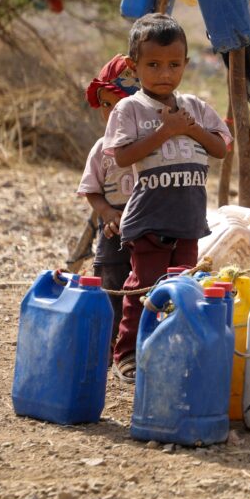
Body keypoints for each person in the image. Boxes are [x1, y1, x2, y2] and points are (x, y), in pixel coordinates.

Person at [103, 13, 231, 382]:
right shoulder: (130, 108)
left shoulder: (195, 106)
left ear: (185, 64)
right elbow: (123, 156)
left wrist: (189, 128)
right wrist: (165, 131)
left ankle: (167, 349)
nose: (165, 73)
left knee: (181, 289)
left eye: (174, 65)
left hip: (188, 218)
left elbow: (220, 148)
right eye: (154, 65)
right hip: (150, 217)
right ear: (134, 67)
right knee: (143, 287)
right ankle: (128, 353)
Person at [77, 54, 140, 350]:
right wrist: (105, 212)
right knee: (110, 286)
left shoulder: (153, 144)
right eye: (106, 104)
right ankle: (107, 346)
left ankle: (133, 345)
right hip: (113, 231)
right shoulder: (102, 149)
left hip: (148, 228)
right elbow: (91, 189)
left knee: (144, 288)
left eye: (121, 105)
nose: (112, 113)